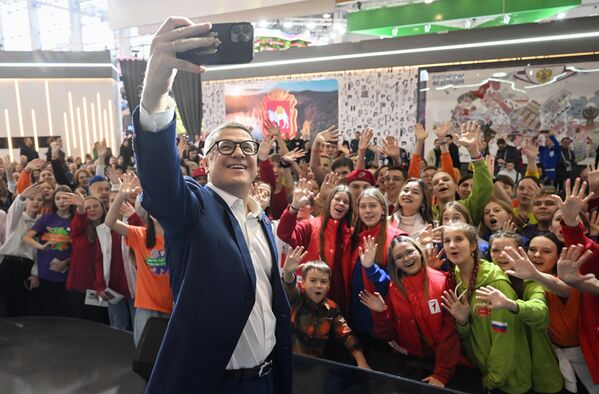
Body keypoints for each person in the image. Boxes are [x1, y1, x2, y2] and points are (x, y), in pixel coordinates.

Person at [133, 16, 291, 393]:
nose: (237, 152)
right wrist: (154, 96)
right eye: (224, 146)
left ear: (257, 160)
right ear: (205, 161)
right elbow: (161, 183)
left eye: (246, 146)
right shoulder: (194, 208)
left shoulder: (259, 220)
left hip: (267, 380)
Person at [440, 222, 532, 393]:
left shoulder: (496, 284)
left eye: (459, 239)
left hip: (509, 382)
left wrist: (491, 380)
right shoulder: (456, 278)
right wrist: (462, 322)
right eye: (447, 240)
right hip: (482, 371)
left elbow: (504, 340)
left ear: (473, 245)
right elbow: (468, 334)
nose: (452, 245)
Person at [359, 236, 461, 388]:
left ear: (419, 252)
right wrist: (381, 313)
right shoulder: (393, 290)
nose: (406, 259)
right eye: (399, 257)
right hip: (409, 366)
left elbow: (450, 333)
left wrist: (442, 373)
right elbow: (388, 335)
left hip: (443, 367)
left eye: (409, 252)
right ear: (395, 264)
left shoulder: (443, 282)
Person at [281, 246, 369, 369]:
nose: (318, 285)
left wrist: (362, 361)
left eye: (323, 282)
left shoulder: (331, 309)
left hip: (315, 369)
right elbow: (289, 286)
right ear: (303, 283)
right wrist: (288, 273)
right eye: (313, 280)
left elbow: (346, 335)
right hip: (288, 364)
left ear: (328, 286)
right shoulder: (296, 298)